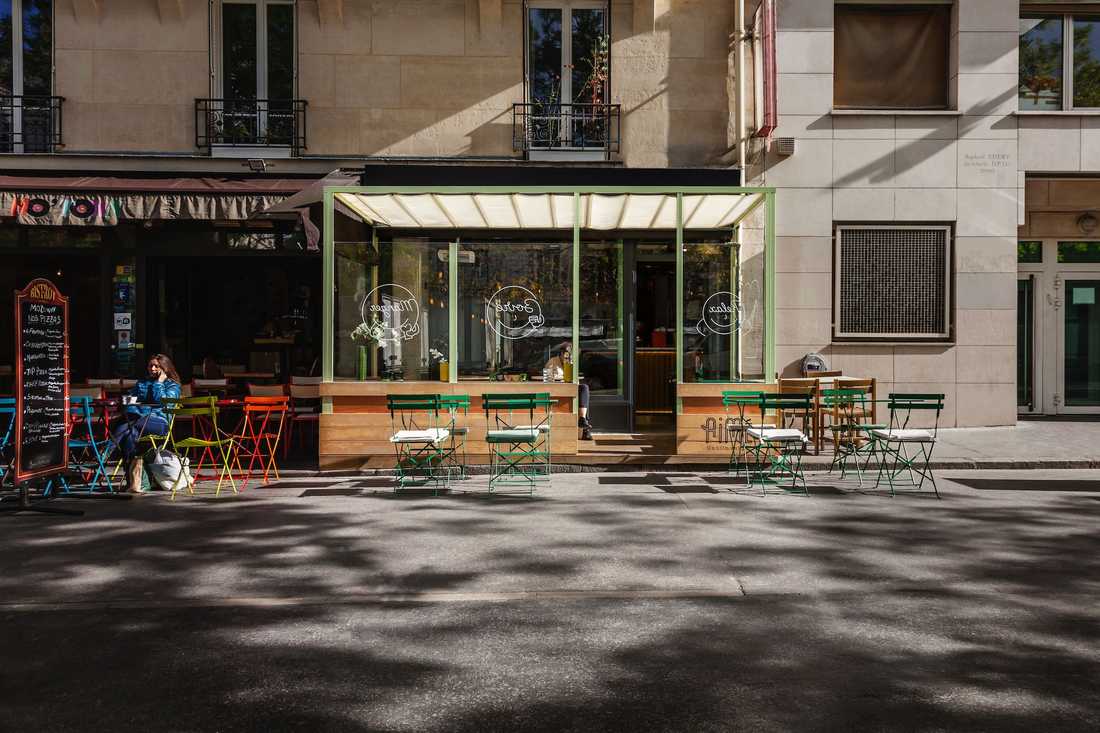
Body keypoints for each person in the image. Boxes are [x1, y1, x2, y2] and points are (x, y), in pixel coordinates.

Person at [111, 354, 182, 493]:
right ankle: (135, 482)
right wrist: (135, 411)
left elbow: (162, 401)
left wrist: (159, 383)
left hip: (160, 422)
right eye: (150, 365)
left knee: (128, 424)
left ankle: (108, 448)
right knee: (131, 434)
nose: (153, 368)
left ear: (164, 368)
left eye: (156, 366)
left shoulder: (173, 386)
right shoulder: (142, 383)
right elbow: (127, 402)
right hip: (138, 421)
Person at [545, 343, 592, 440]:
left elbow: (576, 381)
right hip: (557, 391)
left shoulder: (572, 363)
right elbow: (548, 379)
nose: (569, 357)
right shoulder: (552, 362)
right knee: (582, 399)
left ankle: (582, 419)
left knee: (584, 389)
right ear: (561, 353)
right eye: (567, 355)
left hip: (570, 389)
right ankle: (585, 429)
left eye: (571, 355)